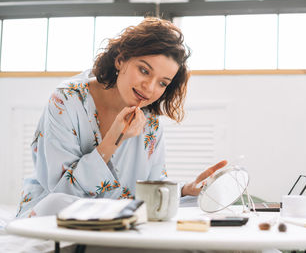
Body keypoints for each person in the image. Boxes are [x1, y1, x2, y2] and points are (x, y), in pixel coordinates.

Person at [16, 17, 227, 218]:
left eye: (163, 83)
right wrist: (112, 141)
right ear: (120, 60)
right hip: (57, 216)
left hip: (118, 222)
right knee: (56, 204)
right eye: (144, 70)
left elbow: (151, 191)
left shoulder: (149, 121)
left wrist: (184, 190)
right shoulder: (67, 100)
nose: (150, 88)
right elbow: (61, 193)